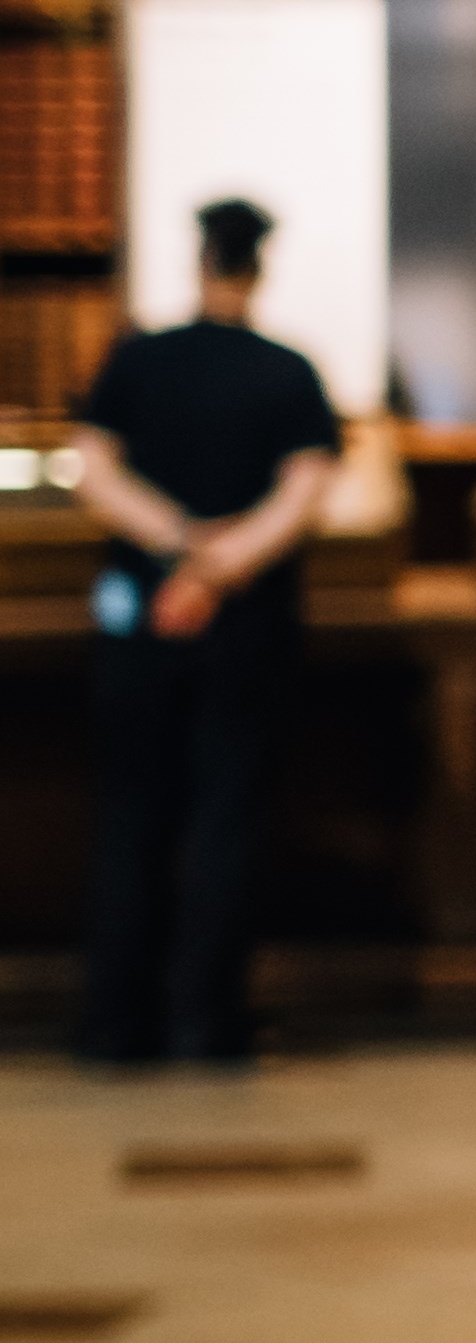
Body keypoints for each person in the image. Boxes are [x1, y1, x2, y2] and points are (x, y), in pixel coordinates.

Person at [70, 195, 344, 1066]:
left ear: (198, 263)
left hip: (138, 615)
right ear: (257, 269)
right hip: (246, 625)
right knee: (226, 818)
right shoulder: (287, 371)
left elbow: (94, 471)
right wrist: (221, 566)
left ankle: (118, 1022)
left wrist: (175, 549)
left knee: (131, 815)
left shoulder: (138, 360)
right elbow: (303, 492)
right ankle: (209, 1020)